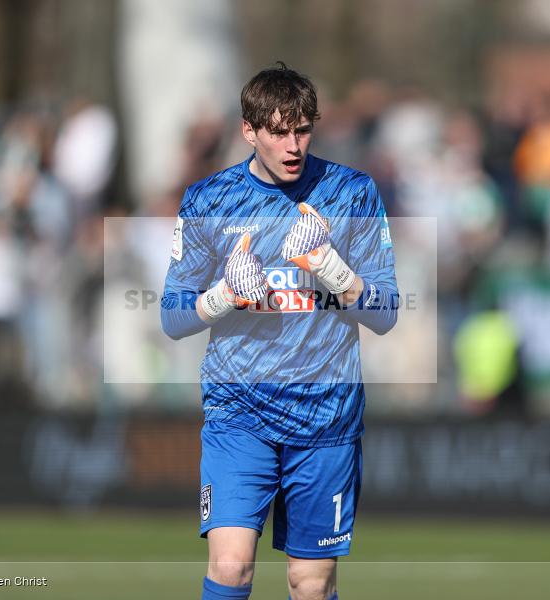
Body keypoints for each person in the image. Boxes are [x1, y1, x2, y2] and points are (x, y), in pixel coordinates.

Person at [160, 62, 398, 600]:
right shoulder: (208, 200)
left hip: (325, 415)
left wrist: (332, 270)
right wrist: (224, 296)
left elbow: (385, 312)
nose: (293, 145)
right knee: (230, 566)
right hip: (238, 411)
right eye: (277, 131)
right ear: (249, 131)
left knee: (309, 584)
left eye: (302, 130)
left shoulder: (351, 193)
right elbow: (173, 318)